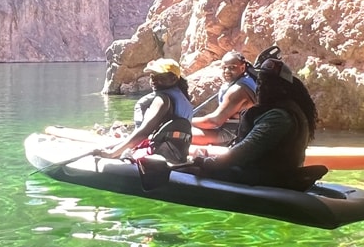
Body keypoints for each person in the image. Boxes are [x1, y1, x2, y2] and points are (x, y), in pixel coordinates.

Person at [138, 47, 326, 192]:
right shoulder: (287, 111)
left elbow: (243, 153)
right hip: (271, 173)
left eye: (266, 83)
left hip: (266, 178)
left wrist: (206, 163)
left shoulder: (279, 117)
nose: (260, 87)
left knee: (189, 169)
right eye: (260, 82)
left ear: (282, 88)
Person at [97, 58, 193, 163]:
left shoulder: (162, 100)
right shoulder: (184, 100)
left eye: (160, 77)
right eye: (152, 77)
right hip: (178, 155)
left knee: (117, 154)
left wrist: (112, 154)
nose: (154, 80)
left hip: (157, 154)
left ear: (173, 79)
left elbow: (144, 132)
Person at [191, 51, 257, 146]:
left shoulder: (238, 90)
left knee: (181, 134)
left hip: (234, 134)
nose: (226, 71)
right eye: (224, 68)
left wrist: (187, 121)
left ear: (242, 68)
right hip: (230, 128)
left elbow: (214, 121)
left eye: (232, 67)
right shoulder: (245, 81)